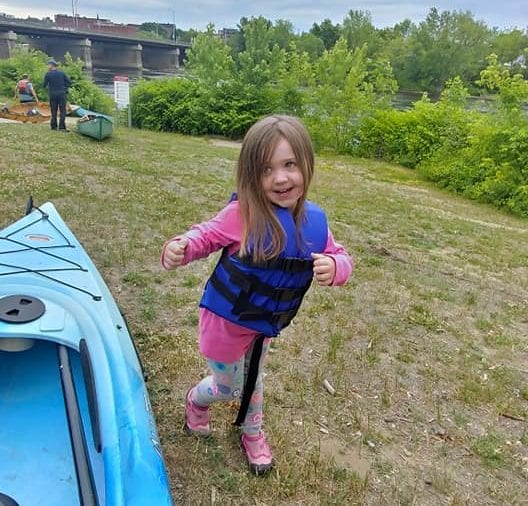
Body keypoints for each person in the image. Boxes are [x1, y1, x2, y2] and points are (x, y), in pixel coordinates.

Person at [160, 115, 353, 475]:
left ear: (307, 165)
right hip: (226, 324)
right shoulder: (241, 215)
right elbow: (203, 237)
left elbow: (341, 255)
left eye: (290, 164)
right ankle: (196, 402)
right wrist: (179, 247)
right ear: (251, 175)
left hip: (264, 324)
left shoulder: (313, 221)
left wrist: (335, 266)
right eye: (267, 170)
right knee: (226, 387)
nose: (280, 178)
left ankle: (252, 433)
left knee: (253, 379)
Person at [42, 59, 71, 131]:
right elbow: (69, 82)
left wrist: (49, 87)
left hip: (52, 94)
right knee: (62, 111)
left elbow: (44, 85)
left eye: (48, 64)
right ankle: (62, 127)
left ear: (51, 65)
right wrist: (65, 88)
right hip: (62, 94)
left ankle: (53, 126)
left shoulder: (48, 74)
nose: (47, 66)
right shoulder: (62, 73)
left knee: (53, 110)